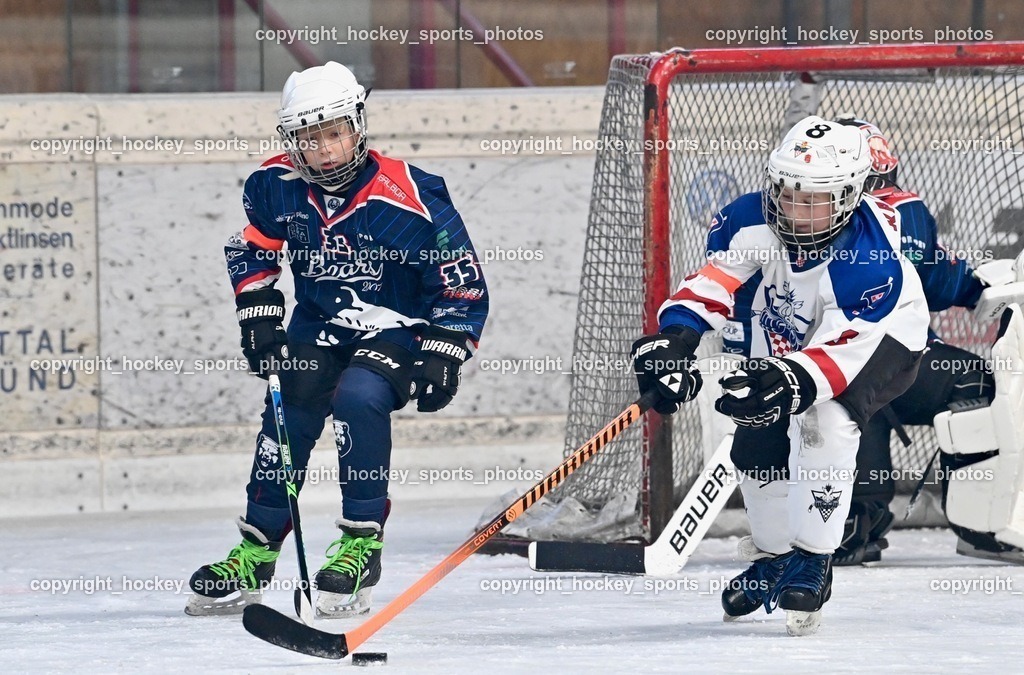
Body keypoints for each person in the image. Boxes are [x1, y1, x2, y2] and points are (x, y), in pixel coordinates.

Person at [185, 62, 489, 618]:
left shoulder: (411, 194)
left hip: (397, 328)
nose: (323, 150)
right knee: (289, 409)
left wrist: (446, 346)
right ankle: (256, 551)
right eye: (308, 137)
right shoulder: (275, 186)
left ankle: (360, 545)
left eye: (334, 133)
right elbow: (252, 249)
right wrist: (258, 314)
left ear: (357, 126)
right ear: (291, 140)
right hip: (320, 326)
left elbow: (458, 277)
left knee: (359, 397)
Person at [631, 115, 930, 635]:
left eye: (813, 199)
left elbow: (843, 349)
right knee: (757, 427)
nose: (794, 209)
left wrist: (791, 379)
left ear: (850, 196)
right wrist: (676, 337)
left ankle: (813, 560)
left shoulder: (870, 258)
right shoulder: (749, 219)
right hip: (793, 330)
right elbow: (716, 281)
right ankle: (773, 558)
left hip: (881, 340)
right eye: (787, 192)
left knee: (826, 421)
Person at [726, 115, 1024, 566]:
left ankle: (855, 521)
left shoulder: (778, 212)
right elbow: (938, 281)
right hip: (833, 365)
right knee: (872, 385)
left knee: (866, 382)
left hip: (807, 364)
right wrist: (977, 287)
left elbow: (736, 291)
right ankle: (964, 523)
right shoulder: (901, 214)